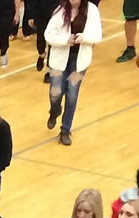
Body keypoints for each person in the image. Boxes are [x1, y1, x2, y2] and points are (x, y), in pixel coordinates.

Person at [45, 0, 104, 147]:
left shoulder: (92, 11)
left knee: (72, 95)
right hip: (59, 60)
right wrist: (65, 40)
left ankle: (65, 130)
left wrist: (83, 38)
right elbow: (48, 34)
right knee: (55, 92)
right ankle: (54, 110)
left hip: (79, 63)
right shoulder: (60, 10)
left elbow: (97, 35)